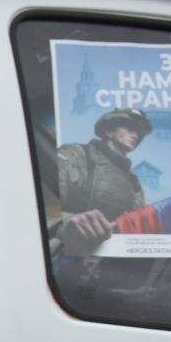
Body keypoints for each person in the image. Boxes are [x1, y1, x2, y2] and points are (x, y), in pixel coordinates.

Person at [55, 106, 151, 254]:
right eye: (130, 127)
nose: (135, 135)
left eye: (139, 132)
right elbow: (47, 207)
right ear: (108, 131)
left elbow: (134, 229)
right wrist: (68, 222)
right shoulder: (77, 154)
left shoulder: (133, 183)